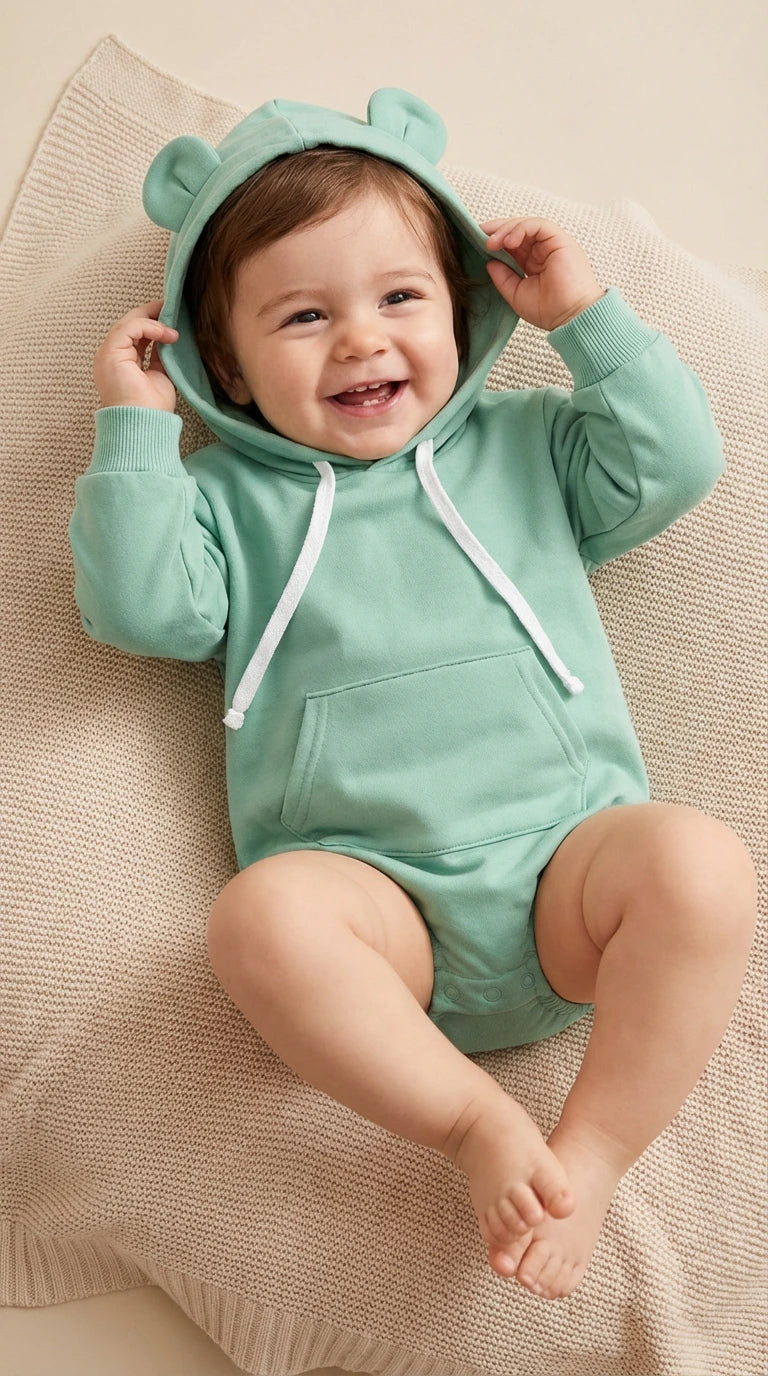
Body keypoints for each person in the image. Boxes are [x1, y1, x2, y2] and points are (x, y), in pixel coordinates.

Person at [69, 88, 757, 1300]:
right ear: (224, 362)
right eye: (304, 315)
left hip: (569, 877)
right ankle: (474, 1120)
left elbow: (676, 463)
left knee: (702, 863)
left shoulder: (526, 445)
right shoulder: (224, 500)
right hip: (379, 918)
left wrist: (585, 318)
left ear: (462, 302)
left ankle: (591, 1153)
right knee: (258, 920)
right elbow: (141, 610)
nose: (359, 340)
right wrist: (135, 434)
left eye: (399, 297)